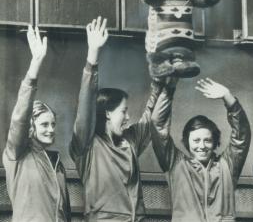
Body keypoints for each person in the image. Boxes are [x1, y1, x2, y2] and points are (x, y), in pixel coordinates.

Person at [70, 16, 174, 221]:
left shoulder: (131, 140)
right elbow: (85, 106)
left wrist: (160, 77)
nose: (128, 117)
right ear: (107, 113)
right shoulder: (87, 146)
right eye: (124, 111)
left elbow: (150, 114)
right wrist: (93, 56)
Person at [150, 77, 251, 222]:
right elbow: (157, 125)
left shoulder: (227, 165)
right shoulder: (176, 164)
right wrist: (169, 88)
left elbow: (242, 136)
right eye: (196, 140)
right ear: (187, 141)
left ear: (215, 142)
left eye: (207, 140)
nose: (202, 146)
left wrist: (229, 99)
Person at [2, 26, 71, 222]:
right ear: (31, 127)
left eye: (53, 124)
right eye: (44, 125)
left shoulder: (57, 163)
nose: (51, 130)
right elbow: (19, 118)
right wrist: (35, 64)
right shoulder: (17, 152)